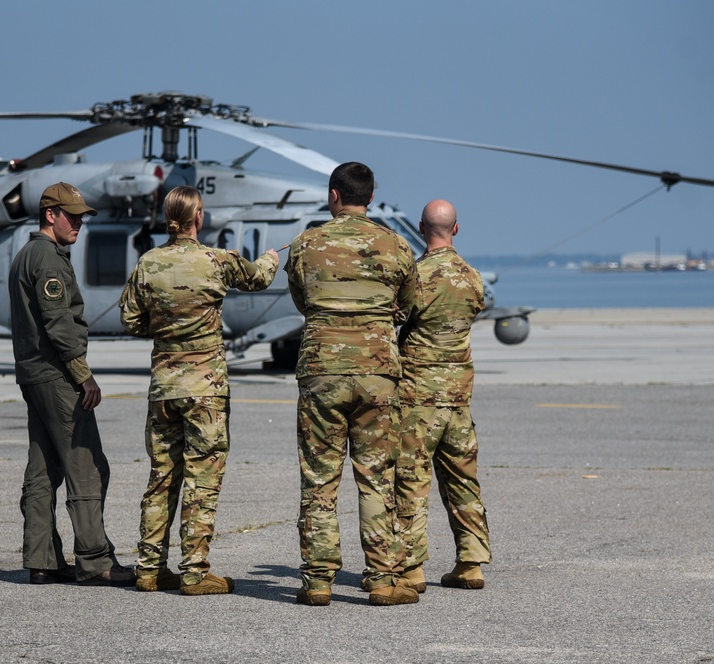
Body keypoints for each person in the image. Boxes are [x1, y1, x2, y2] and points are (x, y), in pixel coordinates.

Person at [119, 185, 279, 595]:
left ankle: (149, 568)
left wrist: (165, 330)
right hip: (205, 388)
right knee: (202, 478)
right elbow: (258, 279)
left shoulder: (148, 263)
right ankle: (194, 570)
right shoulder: (215, 261)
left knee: (161, 477)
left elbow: (131, 320)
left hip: (165, 388)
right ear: (199, 217)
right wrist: (271, 258)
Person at [286, 161, 421, 606]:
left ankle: (319, 581)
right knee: (377, 478)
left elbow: (302, 300)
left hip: (322, 370)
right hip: (378, 374)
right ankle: (382, 579)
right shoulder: (397, 245)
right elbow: (408, 303)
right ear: (372, 197)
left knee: (319, 479)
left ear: (333, 196)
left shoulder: (306, 243)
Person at [9, 182, 136, 587]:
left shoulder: (27, 255)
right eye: (71, 215)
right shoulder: (47, 259)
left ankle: (42, 558)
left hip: (34, 373)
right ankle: (95, 559)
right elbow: (59, 323)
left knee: (44, 466)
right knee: (87, 464)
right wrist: (83, 374)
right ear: (50, 215)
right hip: (56, 374)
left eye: (81, 215)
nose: (79, 222)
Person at [395, 199, 491, 592]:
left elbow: (397, 315)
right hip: (458, 397)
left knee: (411, 480)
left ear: (421, 228)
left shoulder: (416, 276)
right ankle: (470, 563)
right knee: (463, 479)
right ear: (456, 229)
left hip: (418, 396)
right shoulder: (473, 277)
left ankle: (411, 567)